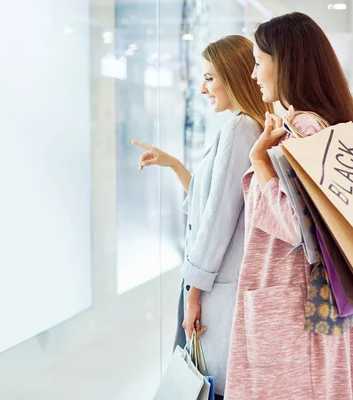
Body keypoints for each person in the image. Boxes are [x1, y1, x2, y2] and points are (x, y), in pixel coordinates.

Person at [224, 13, 353, 400]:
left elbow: (295, 226)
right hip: (300, 304)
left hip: (292, 308)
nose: (253, 74)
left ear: (284, 62)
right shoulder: (307, 127)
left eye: (258, 61)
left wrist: (259, 163)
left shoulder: (306, 131)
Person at [133, 35, 272, 399]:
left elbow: (216, 219)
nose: (203, 88)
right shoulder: (246, 127)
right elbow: (210, 203)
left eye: (210, 77)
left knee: (211, 387)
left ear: (232, 75)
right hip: (213, 283)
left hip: (212, 288)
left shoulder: (241, 128)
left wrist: (193, 294)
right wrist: (175, 164)